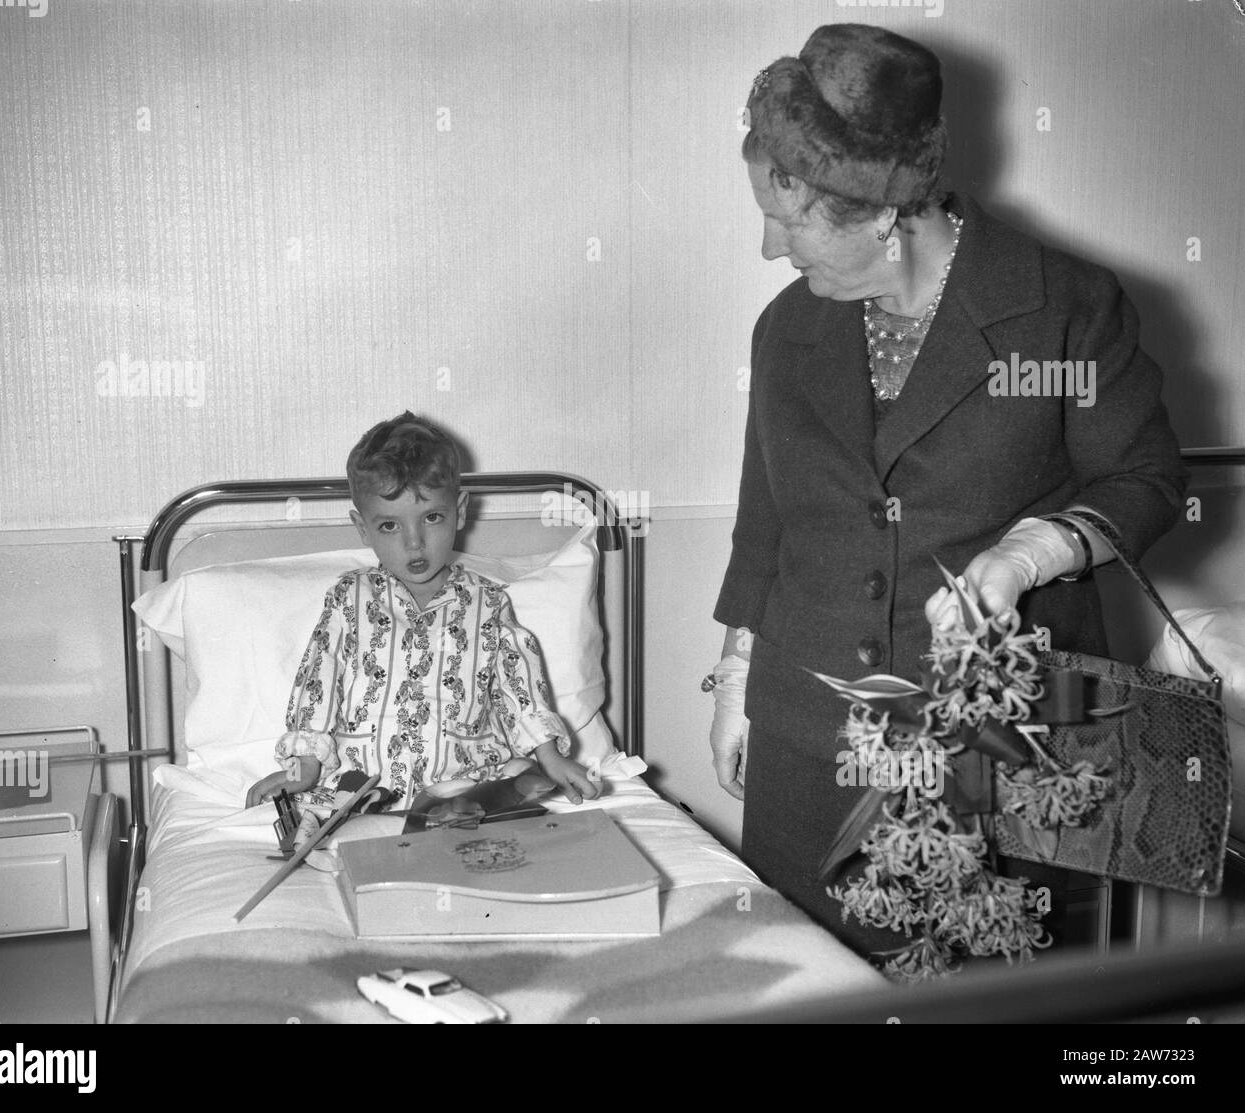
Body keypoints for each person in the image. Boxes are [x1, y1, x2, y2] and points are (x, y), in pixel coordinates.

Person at [708, 23, 1187, 958]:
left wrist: (1028, 552)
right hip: (812, 751)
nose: (770, 246)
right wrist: (736, 683)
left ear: (881, 211)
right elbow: (765, 524)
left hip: (1009, 753)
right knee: (808, 983)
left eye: (790, 217)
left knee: (994, 995)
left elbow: (1143, 478)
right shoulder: (787, 331)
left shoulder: (1058, 312)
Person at [245, 411, 598, 812]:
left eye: (432, 518)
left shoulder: (488, 602)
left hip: (464, 778)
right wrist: (302, 769)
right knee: (329, 822)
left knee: (508, 784)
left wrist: (549, 756)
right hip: (365, 782)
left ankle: (489, 804)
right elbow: (318, 683)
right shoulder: (349, 597)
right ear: (362, 528)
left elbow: (519, 686)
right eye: (390, 527)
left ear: (460, 511)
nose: (415, 544)